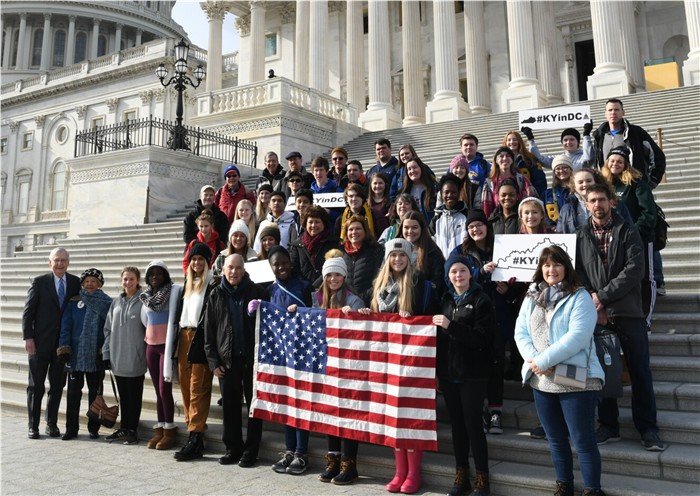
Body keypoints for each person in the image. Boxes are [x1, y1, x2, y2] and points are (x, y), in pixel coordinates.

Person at [575, 184, 664, 452]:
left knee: (640, 372)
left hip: (627, 312)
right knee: (603, 372)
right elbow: (578, 272)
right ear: (587, 204)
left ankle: (648, 428)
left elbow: (634, 270)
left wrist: (601, 297)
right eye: (593, 200)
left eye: (602, 199)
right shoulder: (580, 235)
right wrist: (594, 301)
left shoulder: (628, 231)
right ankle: (609, 425)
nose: (598, 204)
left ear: (611, 202)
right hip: (597, 315)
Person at [514, 245, 606, 496]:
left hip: (575, 377)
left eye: (556, 264)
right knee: (555, 439)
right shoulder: (532, 296)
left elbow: (578, 336)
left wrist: (544, 360)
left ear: (566, 267)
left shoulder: (580, 296)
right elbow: (520, 332)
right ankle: (563, 485)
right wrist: (535, 361)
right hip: (541, 380)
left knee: (583, 440)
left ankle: (592, 490)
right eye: (546, 265)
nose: (551, 269)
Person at [358, 238, 435, 494]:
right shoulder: (378, 287)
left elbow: (430, 320)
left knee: (410, 414)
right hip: (387, 360)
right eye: (393, 256)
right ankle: (399, 470)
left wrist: (412, 320)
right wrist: (369, 315)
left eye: (402, 256)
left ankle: (414, 473)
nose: (397, 260)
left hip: (413, 361)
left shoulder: (421, 285)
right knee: (394, 415)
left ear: (410, 258)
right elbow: (375, 318)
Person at [433, 254, 495, 496]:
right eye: (453, 272)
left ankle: (482, 477)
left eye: (462, 271)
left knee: (473, 426)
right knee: (457, 427)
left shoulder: (481, 300)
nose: (458, 276)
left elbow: (481, 339)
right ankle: (461, 475)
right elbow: (439, 342)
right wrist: (438, 371)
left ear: (470, 273)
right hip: (449, 374)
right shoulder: (445, 300)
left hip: (473, 374)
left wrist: (451, 326)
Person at [204, 254, 268, 467]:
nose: (234, 272)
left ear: (244, 270)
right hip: (226, 361)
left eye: (238, 268)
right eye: (230, 268)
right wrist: (213, 362)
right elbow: (209, 331)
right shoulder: (215, 294)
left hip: (252, 361)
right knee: (230, 407)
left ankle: (251, 450)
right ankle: (233, 448)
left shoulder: (257, 292)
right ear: (223, 270)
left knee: (253, 406)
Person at [450, 210, 503, 437]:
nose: (475, 229)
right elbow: (450, 275)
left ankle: (495, 411)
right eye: (471, 226)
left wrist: (509, 291)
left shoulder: (500, 245)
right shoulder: (461, 251)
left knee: (497, 362)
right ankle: (481, 409)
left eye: (479, 225)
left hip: (499, 313)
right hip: (472, 315)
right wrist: (479, 272)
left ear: (487, 226)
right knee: (477, 365)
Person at [314, 252, 365, 485]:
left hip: (348, 366)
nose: (333, 278)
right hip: (327, 364)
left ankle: (349, 463)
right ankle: (332, 459)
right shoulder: (317, 297)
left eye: (337, 274)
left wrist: (352, 317)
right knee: (330, 412)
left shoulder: (353, 300)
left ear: (344, 276)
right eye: (329, 275)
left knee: (348, 413)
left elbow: (362, 332)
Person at [22, 247, 80, 439]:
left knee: (56, 387)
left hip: (62, 346)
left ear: (68, 262)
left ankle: (51, 424)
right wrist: (28, 337)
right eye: (56, 260)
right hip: (39, 344)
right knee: (35, 386)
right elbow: (28, 312)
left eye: (63, 260)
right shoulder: (39, 282)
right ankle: (33, 426)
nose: (60, 263)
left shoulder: (75, 283)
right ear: (50, 262)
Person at [265, 246, 313, 475]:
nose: (282, 267)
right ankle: (289, 450)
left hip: (303, 351)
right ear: (270, 267)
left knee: (300, 402)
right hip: (281, 353)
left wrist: (301, 310)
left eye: (285, 263)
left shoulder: (303, 286)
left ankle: (302, 452)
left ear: (291, 263)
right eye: (277, 264)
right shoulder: (270, 289)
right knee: (286, 402)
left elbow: (315, 312)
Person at [601, 146, 657, 325]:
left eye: (620, 161)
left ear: (626, 164)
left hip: (640, 238)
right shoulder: (604, 185)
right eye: (612, 160)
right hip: (616, 241)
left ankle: (646, 318)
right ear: (607, 163)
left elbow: (649, 213)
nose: (615, 164)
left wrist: (634, 232)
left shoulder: (636, 183)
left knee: (645, 277)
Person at [172, 243, 216, 461]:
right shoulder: (187, 284)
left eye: (201, 259)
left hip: (200, 337)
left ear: (207, 262)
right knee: (186, 385)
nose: (197, 263)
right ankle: (193, 430)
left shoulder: (211, 284)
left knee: (198, 387)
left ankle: (195, 435)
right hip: (184, 336)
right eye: (194, 259)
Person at [56, 268, 112, 440]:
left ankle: (93, 428)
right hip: (76, 356)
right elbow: (66, 326)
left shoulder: (107, 303)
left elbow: (110, 329)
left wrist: (105, 350)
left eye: (93, 281)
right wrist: (64, 347)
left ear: (100, 284)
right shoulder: (74, 302)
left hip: (96, 356)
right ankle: (71, 429)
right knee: (73, 394)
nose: (89, 284)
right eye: (86, 281)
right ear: (82, 284)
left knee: (95, 394)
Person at [140, 260, 182, 450]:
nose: (155, 277)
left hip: (166, 346)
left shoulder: (173, 293)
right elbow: (144, 319)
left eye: (159, 273)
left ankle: (170, 430)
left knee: (165, 390)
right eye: (151, 274)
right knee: (157, 391)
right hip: (151, 346)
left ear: (165, 275)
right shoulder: (146, 296)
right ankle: (160, 428)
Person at [102, 266, 146, 445]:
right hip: (118, 358)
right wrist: (106, 353)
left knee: (134, 397)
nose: (128, 282)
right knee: (123, 396)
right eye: (125, 279)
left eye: (131, 279)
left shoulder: (144, 301)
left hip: (136, 358)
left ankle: (132, 430)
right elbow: (107, 330)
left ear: (138, 280)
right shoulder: (116, 302)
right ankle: (123, 428)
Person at [589, 98, 666, 188]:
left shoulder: (636, 133)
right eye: (610, 110)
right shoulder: (599, 135)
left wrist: (652, 180)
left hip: (633, 185)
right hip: (608, 186)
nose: (613, 113)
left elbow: (657, 157)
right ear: (605, 114)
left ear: (623, 112)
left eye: (617, 110)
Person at [478, 146, 537, 218]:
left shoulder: (521, 179)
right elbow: (486, 208)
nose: (505, 158)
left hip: (520, 221)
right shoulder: (490, 182)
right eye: (501, 156)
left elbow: (533, 201)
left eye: (508, 156)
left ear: (512, 160)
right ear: (496, 161)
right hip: (499, 222)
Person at [289, 205, 340, 288]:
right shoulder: (297, 245)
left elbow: (334, 267)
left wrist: (316, 285)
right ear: (305, 224)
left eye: (317, 222)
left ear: (324, 224)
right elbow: (294, 269)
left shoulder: (334, 243)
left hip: (328, 288)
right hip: (304, 290)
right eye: (310, 222)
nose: (313, 225)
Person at [341, 214, 385, 306]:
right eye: (351, 229)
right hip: (345, 303)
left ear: (365, 231)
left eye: (358, 228)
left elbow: (378, 279)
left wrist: (361, 298)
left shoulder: (375, 249)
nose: (354, 232)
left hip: (369, 303)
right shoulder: (341, 252)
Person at [398, 211, 445, 294]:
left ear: (422, 228)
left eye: (414, 227)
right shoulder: (395, 251)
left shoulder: (432, 253)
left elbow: (438, 284)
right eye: (406, 227)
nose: (410, 231)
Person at [430, 173, 470, 258]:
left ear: (459, 193)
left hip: (463, 266)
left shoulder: (467, 216)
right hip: (441, 267)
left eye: (453, 192)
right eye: (446, 192)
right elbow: (430, 245)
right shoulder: (436, 220)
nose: (450, 195)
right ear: (441, 194)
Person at [521, 126, 593, 170]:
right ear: (562, 143)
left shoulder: (582, 157)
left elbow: (588, 159)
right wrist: (530, 139)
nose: (568, 142)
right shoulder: (558, 159)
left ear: (578, 142)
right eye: (565, 140)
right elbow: (539, 159)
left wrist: (586, 135)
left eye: (572, 139)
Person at [502, 130, 547, 196]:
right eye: (509, 140)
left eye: (515, 139)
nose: (512, 142)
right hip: (509, 198)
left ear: (519, 141)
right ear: (505, 143)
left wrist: (534, 196)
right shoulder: (500, 161)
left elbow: (540, 181)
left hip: (527, 199)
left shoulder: (530, 159)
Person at [182, 209, 225, 274]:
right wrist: (188, 275)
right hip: (196, 278)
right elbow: (186, 261)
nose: (204, 229)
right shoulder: (194, 243)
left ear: (212, 226)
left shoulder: (219, 243)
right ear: (197, 226)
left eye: (206, 226)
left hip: (212, 278)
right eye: (201, 226)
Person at [399, 157, 437, 223]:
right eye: (409, 169)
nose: (412, 171)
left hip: (430, 227)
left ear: (421, 168)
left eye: (415, 167)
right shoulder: (405, 191)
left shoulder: (433, 188)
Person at [542, 155, 573, 227]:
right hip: (556, 234)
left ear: (571, 169)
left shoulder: (578, 191)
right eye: (558, 168)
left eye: (565, 167)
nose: (561, 171)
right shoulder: (547, 194)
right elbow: (543, 214)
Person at [368, 172, 391, 236]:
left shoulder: (391, 202)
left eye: (380, 183)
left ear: (385, 184)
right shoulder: (366, 203)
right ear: (371, 185)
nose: (377, 186)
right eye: (375, 183)